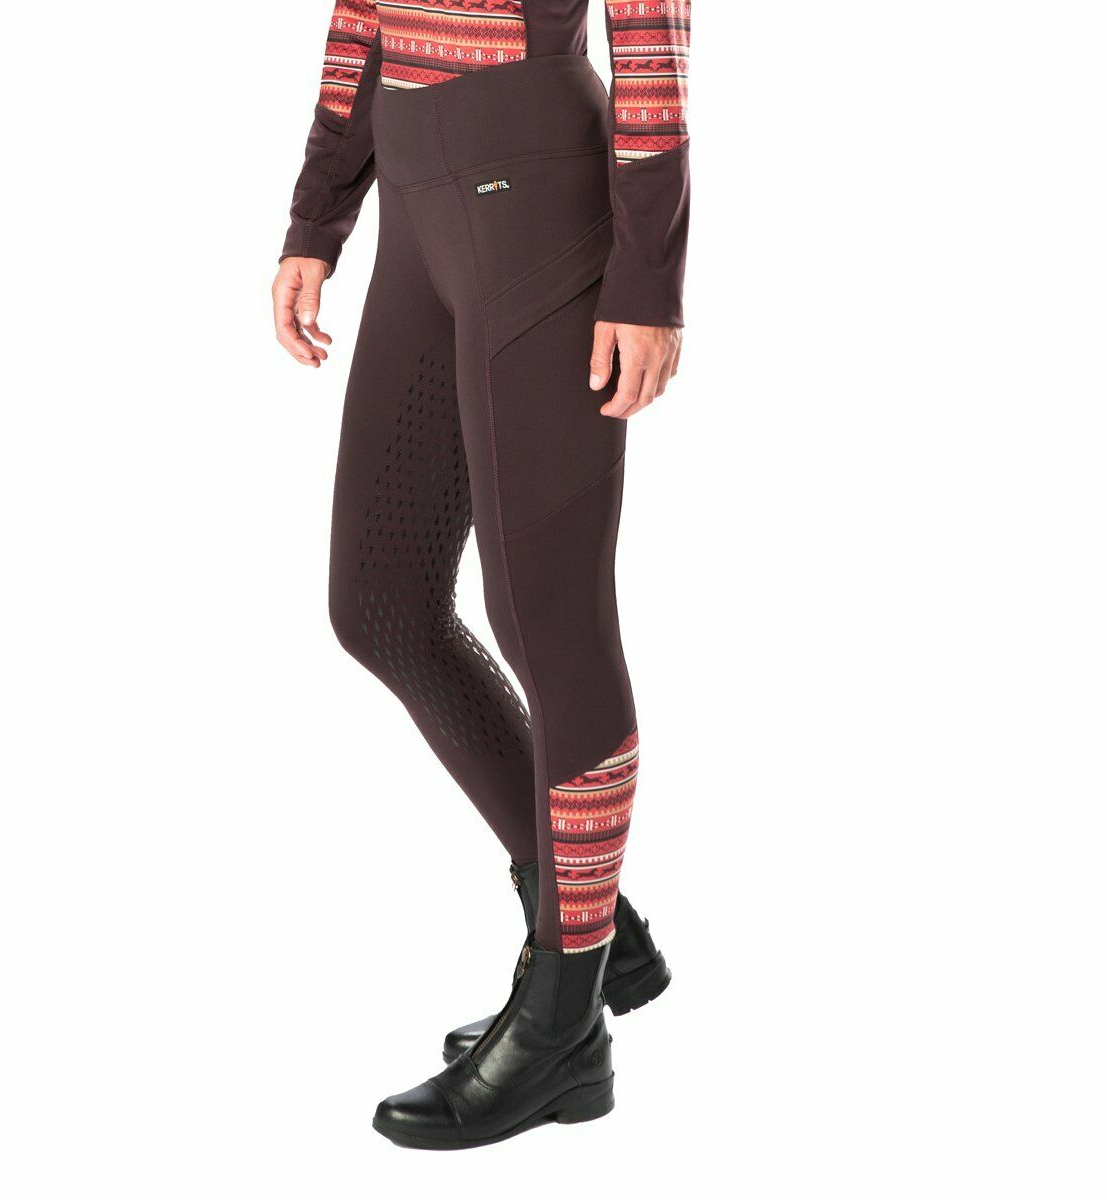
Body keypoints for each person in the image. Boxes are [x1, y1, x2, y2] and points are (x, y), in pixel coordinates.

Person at [271, 0, 689, 1149]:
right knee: (381, 603)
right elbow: (363, 11)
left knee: (547, 621)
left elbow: (651, 33)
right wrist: (318, 214)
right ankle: (595, 928)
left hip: (533, 195)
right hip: (418, 197)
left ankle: (562, 1027)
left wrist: (648, 279)